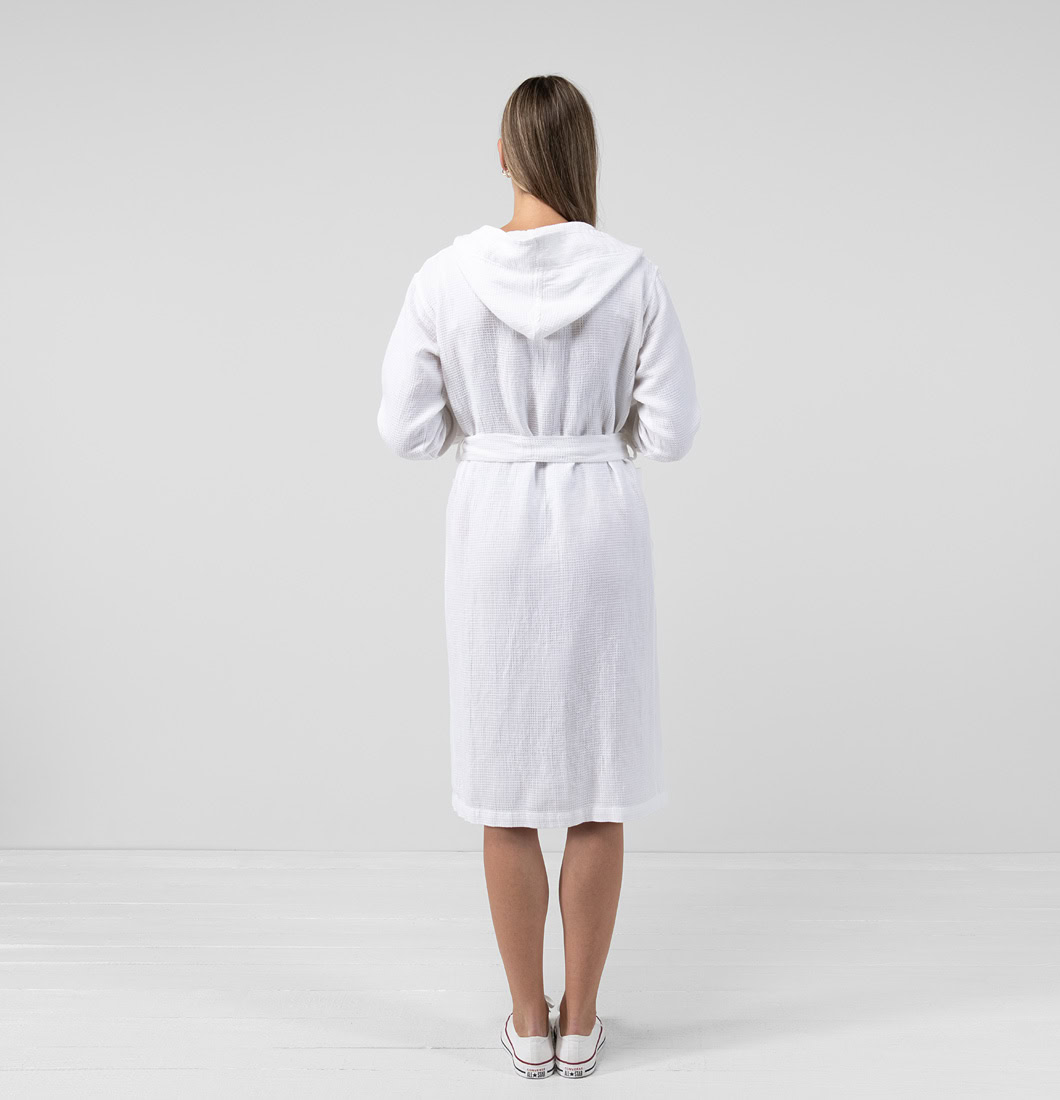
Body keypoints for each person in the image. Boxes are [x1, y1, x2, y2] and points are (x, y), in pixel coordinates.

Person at [377, 74, 701, 1079]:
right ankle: (582, 1017)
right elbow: (672, 432)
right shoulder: (632, 276)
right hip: (599, 522)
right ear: (582, 155)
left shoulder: (444, 276)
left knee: (505, 786)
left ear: (504, 154)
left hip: (493, 529)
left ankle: (527, 1020)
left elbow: (404, 430)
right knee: (598, 781)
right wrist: (596, 431)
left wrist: (488, 426)